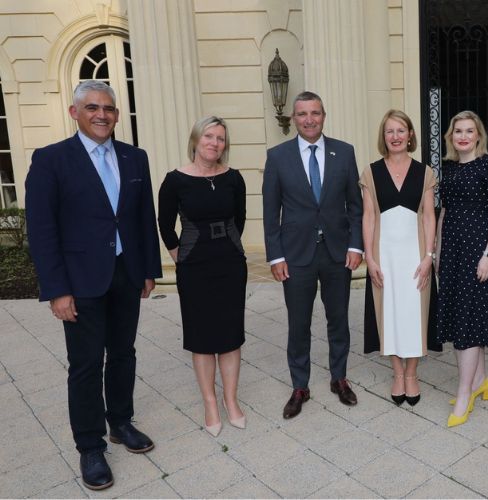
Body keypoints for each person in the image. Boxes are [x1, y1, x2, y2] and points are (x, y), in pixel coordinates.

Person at [25, 80, 161, 491]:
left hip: (125, 273)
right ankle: (90, 445)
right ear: (75, 113)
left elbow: (142, 218)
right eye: (92, 108)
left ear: (117, 115)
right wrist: (57, 289)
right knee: (85, 365)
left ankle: (120, 421)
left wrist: (148, 270)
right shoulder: (51, 160)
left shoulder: (134, 158)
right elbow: (42, 229)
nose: (102, 114)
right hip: (80, 281)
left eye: (108, 108)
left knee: (123, 353)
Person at [262, 91, 363, 419]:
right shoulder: (278, 157)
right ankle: (300, 386)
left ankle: (339, 378)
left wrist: (355, 245)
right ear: (294, 118)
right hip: (296, 256)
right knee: (298, 323)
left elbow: (355, 206)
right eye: (303, 114)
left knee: (339, 320)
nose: (309, 119)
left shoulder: (344, 153)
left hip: (337, 253)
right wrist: (276, 257)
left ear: (323, 115)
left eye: (315, 113)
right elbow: (270, 212)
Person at [157, 116, 247, 437]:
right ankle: (210, 401)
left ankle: (231, 399)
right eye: (209, 136)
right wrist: (180, 256)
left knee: (231, 335)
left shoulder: (234, 178)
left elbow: (239, 219)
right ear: (196, 139)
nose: (214, 143)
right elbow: (165, 225)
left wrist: (229, 248)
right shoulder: (175, 180)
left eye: (220, 138)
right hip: (194, 267)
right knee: (202, 338)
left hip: (230, 263)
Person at [361, 109, 441, 406]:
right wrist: (369, 258)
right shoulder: (371, 172)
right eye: (389, 131)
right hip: (384, 255)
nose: (395, 136)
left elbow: (429, 217)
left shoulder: (425, 172)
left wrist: (429, 255)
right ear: (384, 137)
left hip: (415, 255)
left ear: (410, 136)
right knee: (389, 313)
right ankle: (397, 373)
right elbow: (368, 217)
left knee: (414, 313)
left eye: (400, 130)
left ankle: (412, 374)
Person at [437, 110, 488, 427]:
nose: (464, 136)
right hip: (453, 253)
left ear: (478, 135)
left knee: (468, 323)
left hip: (478, 253)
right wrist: (437, 251)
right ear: (451, 137)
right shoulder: (449, 168)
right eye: (458, 131)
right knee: (462, 318)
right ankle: (481, 381)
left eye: (469, 130)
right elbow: (444, 212)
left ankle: (465, 393)